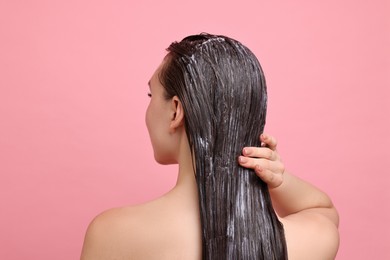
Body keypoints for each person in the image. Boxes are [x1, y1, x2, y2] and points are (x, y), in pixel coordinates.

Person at [81, 34, 339, 259]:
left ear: (175, 111)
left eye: (151, 95)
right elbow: (322, 210)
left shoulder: (112, 234)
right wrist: (278, 178)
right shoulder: (301, 242)